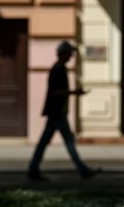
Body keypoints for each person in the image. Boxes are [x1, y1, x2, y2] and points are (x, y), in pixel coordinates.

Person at [28, 41, 99, 182]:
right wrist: (74, 92)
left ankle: (33, 169)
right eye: (69, 53)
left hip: (57, 112)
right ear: (63, 54)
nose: (71, 56)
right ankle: (82, 170)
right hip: (57, 112)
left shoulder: (60, 68)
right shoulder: (57, 69)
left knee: (45, 142)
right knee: (69, 142)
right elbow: (55, 92)